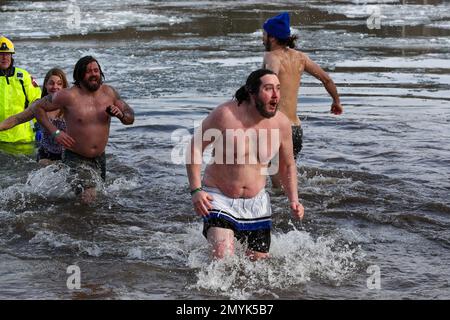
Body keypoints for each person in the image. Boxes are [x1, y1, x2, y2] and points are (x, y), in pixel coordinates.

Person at [186, 69, 304, 261]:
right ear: (252, 93)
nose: (276, 95)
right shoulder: (225, 115)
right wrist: (196, 190)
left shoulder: (281, 123)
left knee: (258, 267)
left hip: (256, 204)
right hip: (219, 198)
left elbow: (287, 165)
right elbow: (194, 148)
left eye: (278, 89)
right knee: (223, 260)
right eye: (268, 89)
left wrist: (294, 199)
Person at [31, 56, 134, 204]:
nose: (94, 74)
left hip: (100, 158)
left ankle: (72, 219)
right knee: (89, 195)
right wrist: (56, 132)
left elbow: (130, 117)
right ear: (79, 75)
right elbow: (37, 108)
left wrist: (122, 115)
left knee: (97, 197)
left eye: (96, 70)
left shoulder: (109, 93)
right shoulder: (68, 95)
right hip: (75, 157)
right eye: (88, 71)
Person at [262, 12, 343, 187]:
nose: (262, 38)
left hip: (277, 128)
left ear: (273, 37)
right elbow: (326, 79)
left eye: (264, 34)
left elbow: (269, 82)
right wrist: (336, 101)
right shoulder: (300, 57)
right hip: (296, 130)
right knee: (287, 176)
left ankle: (281, 208)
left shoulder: (271, 57)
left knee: (276, 181)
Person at [0, 68, 69, 165]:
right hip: (45, 155)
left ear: (64, 86)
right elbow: (16, 119)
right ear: (45, 85)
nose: (55, 86)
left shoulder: (70, 106)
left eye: (59, 83)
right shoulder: (39, 107)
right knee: (44, 165)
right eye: (51, 83)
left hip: (68, 154)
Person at [0, 36, 41, 147]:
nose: (4, 57)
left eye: (7, 54)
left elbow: (37, 102)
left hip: (23, 139)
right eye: (1, 54)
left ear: (11, 56)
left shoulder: (24, 76)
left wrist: (39, 126)